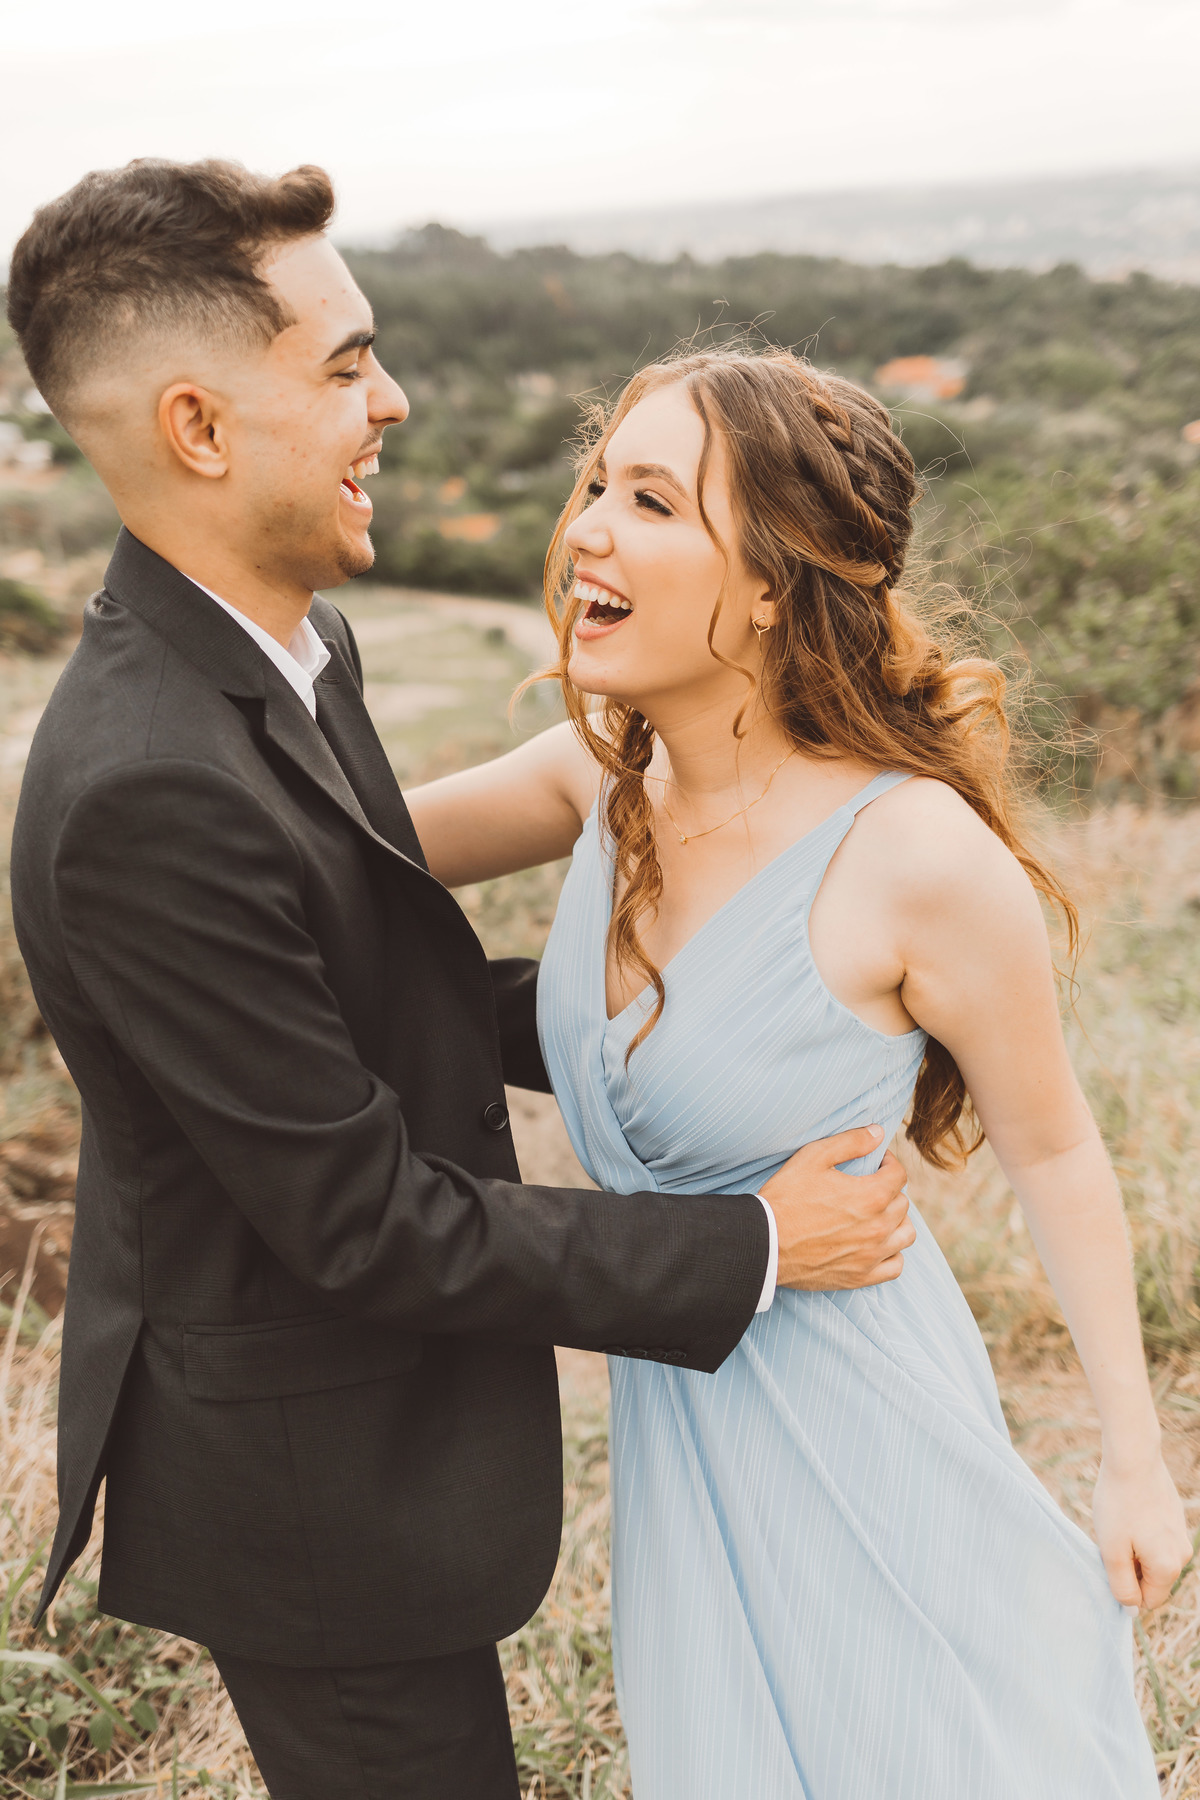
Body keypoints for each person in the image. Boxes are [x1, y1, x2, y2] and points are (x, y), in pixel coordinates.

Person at [4, 165, 915, 1799]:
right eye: (347, 365)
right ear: (203, 427)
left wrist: (711, 1004)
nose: (394, 401)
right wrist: (764, 1242)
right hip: (308, 1491)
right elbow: (361, 1217)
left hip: (376, 1449)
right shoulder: (148, 787)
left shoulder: (291, 648)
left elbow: (375, 985)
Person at [404, 345, 1193, 1798]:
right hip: (684, 1449)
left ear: (771, 581)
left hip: (873, 1438)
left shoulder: (916, 858)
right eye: (595, 485)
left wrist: (1135, 1462)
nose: (585, 528)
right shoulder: (596, 781)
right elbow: (338, 851)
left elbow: (1060, 1154)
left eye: (650, 500)